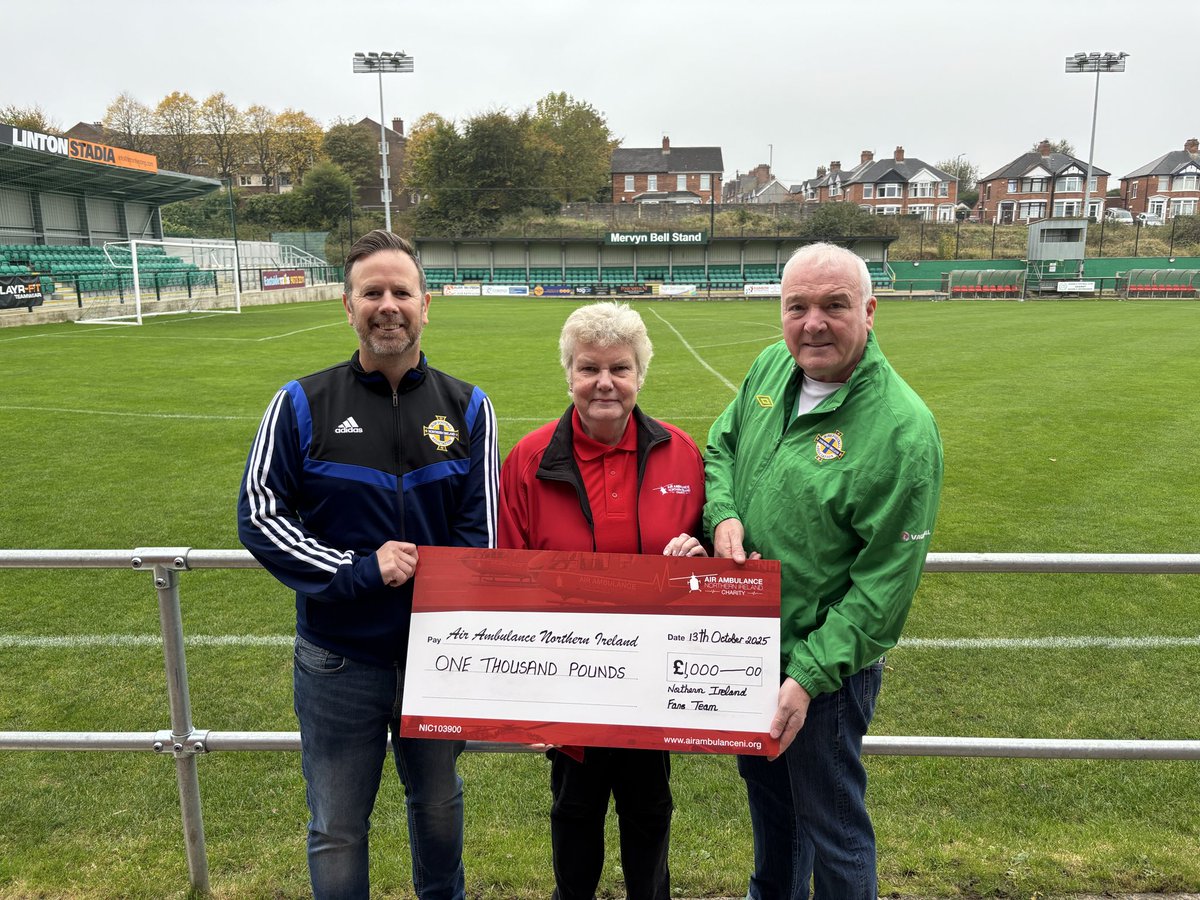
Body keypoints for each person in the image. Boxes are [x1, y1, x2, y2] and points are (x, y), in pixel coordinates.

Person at [237, 229, 499, 900]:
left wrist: (440, 606)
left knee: (439, 808)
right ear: (347, 306)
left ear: (425, 305)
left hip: (436, 660)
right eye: (371, 292)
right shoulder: (300, 402)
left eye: (401, 292)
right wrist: (358, 570)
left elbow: (483, 536)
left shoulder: (468, 406)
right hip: (337, 659)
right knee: (337, 827)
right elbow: (261, 514)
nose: (388, 305)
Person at [704, 242, 943, 900]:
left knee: (833, 829)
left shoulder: (903, 431)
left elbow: (882, 591)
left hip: (825, 675)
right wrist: (723, 514)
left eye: (834, 306)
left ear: (870, 310)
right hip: (748, 649)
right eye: (797, 307)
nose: (813, 323)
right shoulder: (770, 367)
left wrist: (806, 678)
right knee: (772, 817)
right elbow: (720, 446)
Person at [498, 301, 706, 900]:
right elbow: (509, 576)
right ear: (568, 374)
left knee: (649, 817)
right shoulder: (530, 460)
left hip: (652, 685)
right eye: (589, 368)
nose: (605, 383)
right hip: (571, 686)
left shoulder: (682, 455)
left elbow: (713, 570)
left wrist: (696, 562)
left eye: (621, 368)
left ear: (641, 373)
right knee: (574, 819)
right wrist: (527, 694)